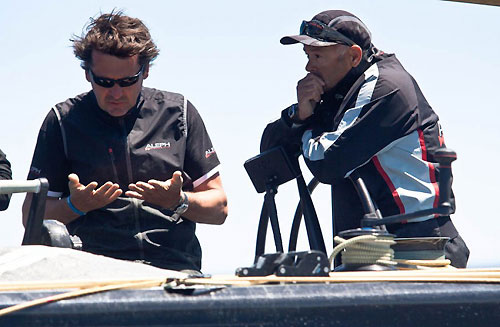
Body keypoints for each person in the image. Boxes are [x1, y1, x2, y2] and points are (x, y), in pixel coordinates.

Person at [260, 10, 469, 268]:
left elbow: (326, 163)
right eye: (307, 56)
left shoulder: (386, 87)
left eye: (316, 56)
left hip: (420, 247)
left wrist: (307, 125)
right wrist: (300, 116)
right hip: (370, 251)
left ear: (354, 56)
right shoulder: (341, 90)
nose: (308, 67)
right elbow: (269, 154)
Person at [22, 12, 228, 272]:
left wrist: (179, 201)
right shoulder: (62, 121)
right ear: (87, 74)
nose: (116, 93)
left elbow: (219, 207)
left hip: (174, 272)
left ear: (146, 70)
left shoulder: (180, 113)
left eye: (128, 81)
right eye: (105, 82)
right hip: (93, 274)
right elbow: (30, 216)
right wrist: (75, 206)